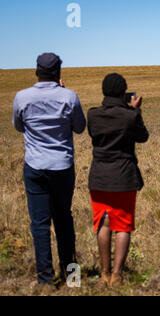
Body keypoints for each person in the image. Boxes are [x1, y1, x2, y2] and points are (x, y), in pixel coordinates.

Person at [12, 53, 86, 286]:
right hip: (62, 166)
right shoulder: (69, 96)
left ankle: (45, 279)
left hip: (35, 166)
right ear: (59, 73)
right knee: (64, 219)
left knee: (40, 224)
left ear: (36, 71)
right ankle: (72, 276)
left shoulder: (22, 97)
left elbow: (18, 126)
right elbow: (80, 127)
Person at [87, 73, 149, 287]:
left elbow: (94, 135)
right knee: (122, 226)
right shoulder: (129, 116)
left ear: (104, 91)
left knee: (103, 224)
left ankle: (103, 273)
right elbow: (143, 136)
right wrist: (135, 110)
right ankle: (117, 275)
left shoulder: (92, 115)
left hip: (99, 178)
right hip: (124, 176)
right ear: (124, 92)